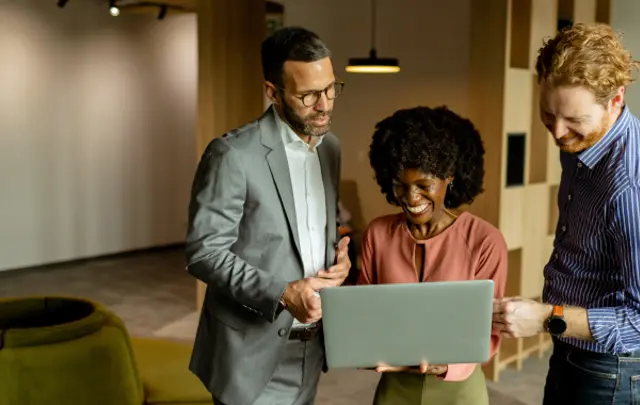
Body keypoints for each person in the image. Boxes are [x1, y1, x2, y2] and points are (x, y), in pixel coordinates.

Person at [184, 26, 351, 405]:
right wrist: (282, 292)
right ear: (273, 92)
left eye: (330, 89)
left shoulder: (331, 150)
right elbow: (203, 252)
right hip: (249, 354)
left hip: (311, 348)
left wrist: (338, 262)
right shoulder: (232, 154)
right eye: (308, 95)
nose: (324, 105)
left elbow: (304, 232)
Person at [492, 22, 640, 404]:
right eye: (548, 114)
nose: (557, 133)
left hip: (610, 368)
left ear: (616, 99)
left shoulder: (628, 187)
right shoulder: (579, 142)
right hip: (571, 349)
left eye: (573, 120)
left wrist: (545, 316)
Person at [358, 105, 508, 404]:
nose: (411, 198)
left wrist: (446, 366)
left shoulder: (484, 241)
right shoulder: (377, 234)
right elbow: (363, 312)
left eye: (424, 185)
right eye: (400, 185)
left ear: (448, 178)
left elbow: (489, 331)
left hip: (458, 388)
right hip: (394, 386)